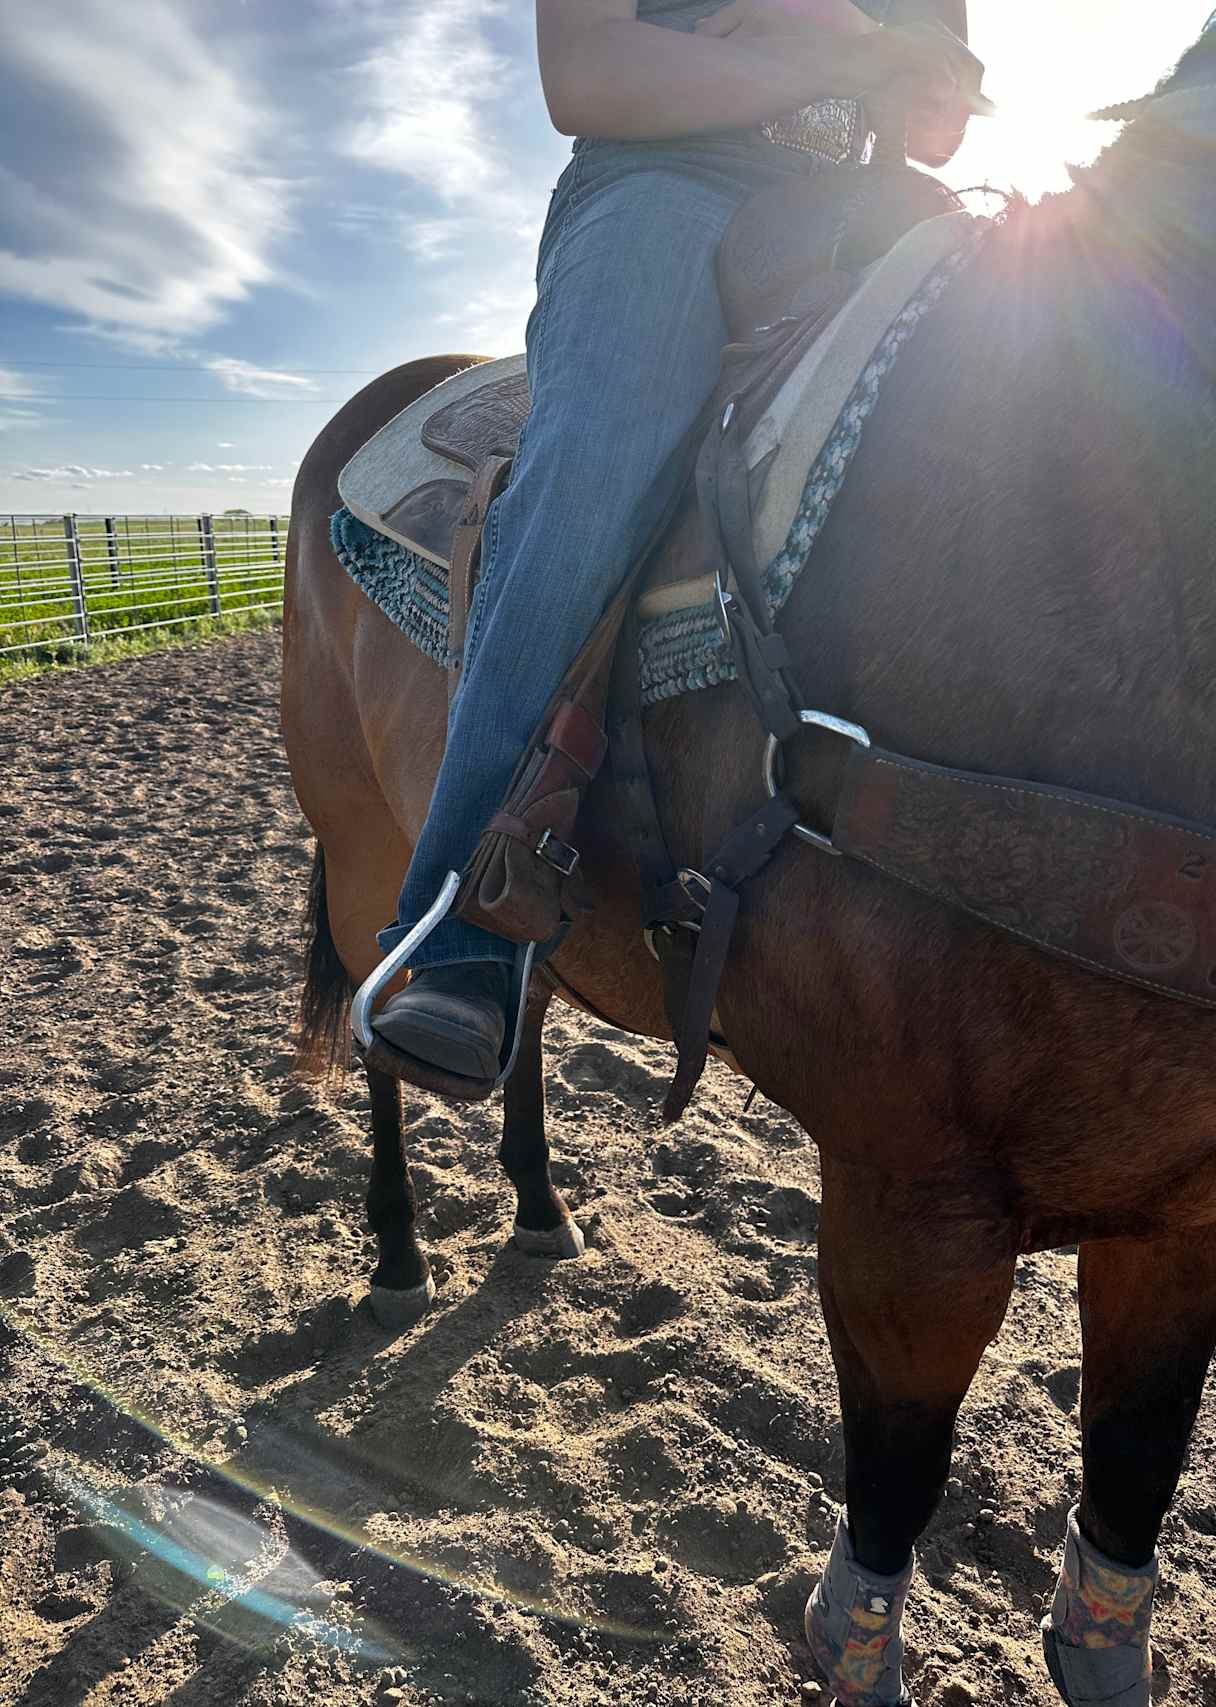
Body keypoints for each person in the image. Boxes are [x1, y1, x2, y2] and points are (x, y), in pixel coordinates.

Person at [372, 0, 986, 1081]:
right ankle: (465, 926)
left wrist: (880, 57)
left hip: (871, 208)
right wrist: (850, 49)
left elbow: (936, 124)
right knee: (593, 466)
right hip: (671, 187)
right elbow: (589, 74)